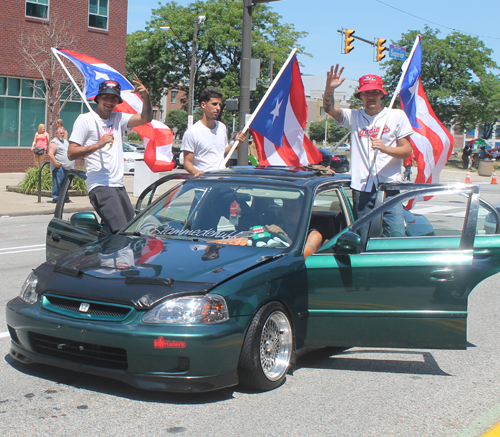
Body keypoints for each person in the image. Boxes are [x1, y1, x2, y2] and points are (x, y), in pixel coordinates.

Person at [323, 65, 413, 241]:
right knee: (362, 238)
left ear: (381, 94)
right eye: (366, 93)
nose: (370, 96)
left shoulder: (397, 116)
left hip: (390, 188)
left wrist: (385, 148)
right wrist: (329, 89)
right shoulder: (354, 117)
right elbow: (329, 110)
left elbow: (406, 151)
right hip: (362, 188)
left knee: (395, 236)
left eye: (374, 92)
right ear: (360, 96)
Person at [68, 76, 153, 233]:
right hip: (100, 186)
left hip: (118, 186)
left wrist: (146, 97)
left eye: (114, 98)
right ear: (98, 98)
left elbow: (146, 118)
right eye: (105, 97)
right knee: (122, 232)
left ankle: (108, 256)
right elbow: (71, 153)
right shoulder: (85, 120)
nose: (109, 101)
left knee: (133, 231)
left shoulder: (118, 118)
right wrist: (98, 145)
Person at [181, 88, 246, 176]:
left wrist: (236, 143)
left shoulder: (222, 127)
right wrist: (196, 173)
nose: (218, 108)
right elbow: (187, 162)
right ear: (203, 105)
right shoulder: (192, 132)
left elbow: (221, 152)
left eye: (219, 104)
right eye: (214, 104)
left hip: (221, 180)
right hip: (203, 184)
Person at [47, 126, 75, 203]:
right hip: (60, 167)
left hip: (68, 167)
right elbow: (50, 153)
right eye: (60, 133)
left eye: (63, 133)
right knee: (58, 183)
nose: (62, 134)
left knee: (66, 184)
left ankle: (65, 198)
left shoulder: (65, 141)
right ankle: (56, 198)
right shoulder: (54, 142)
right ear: (56, 134)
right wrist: (55, 163)